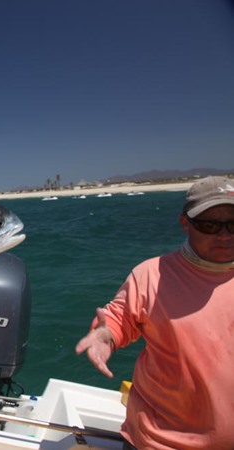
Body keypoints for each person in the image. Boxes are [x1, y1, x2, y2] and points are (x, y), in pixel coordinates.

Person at [75, 176, 234, 450]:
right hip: (158, 443)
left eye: (233, 224)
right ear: (185, 223)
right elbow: (117, 319)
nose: (224, 235)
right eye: (209, 225)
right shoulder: (151, 275)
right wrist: (104, 336)